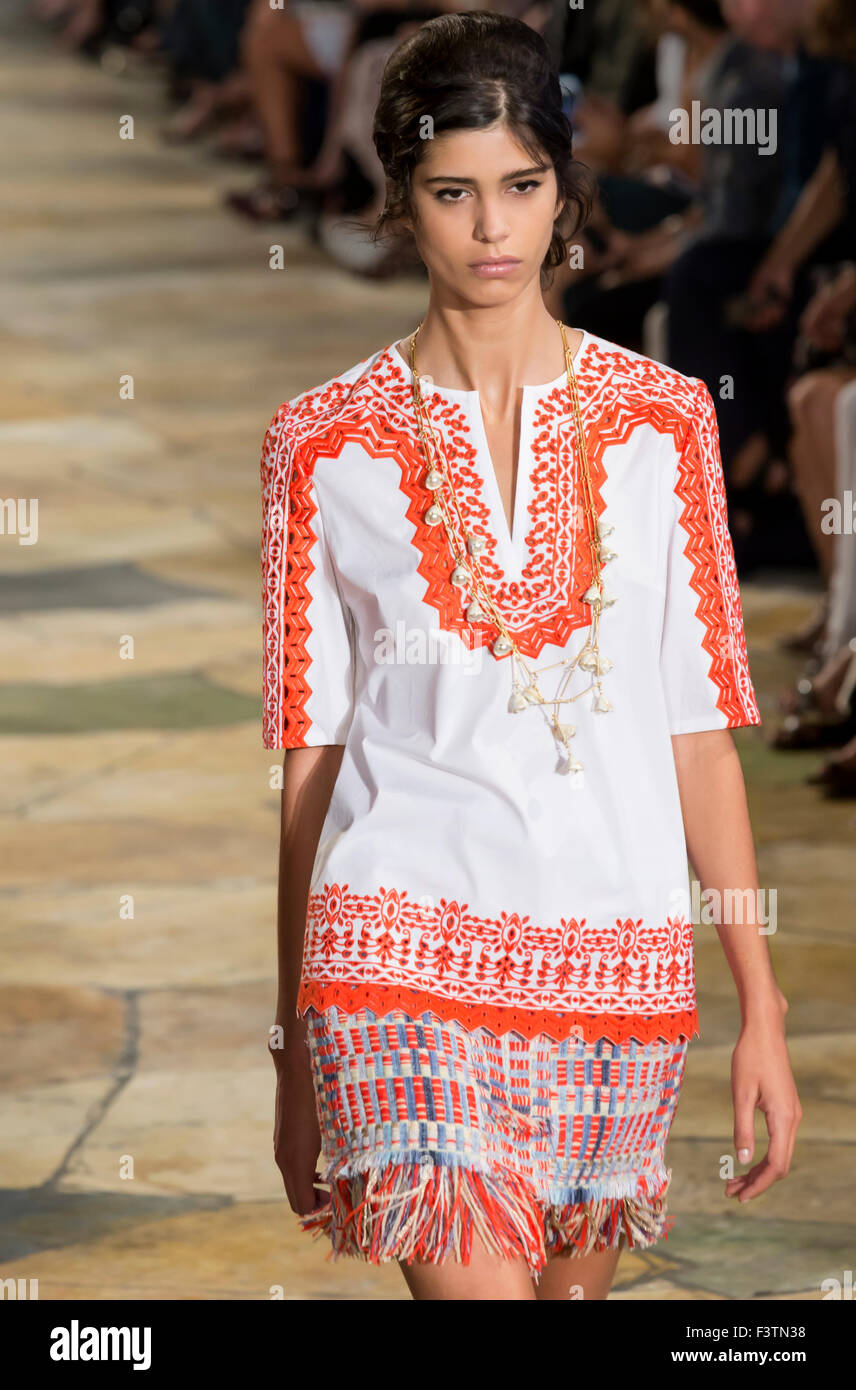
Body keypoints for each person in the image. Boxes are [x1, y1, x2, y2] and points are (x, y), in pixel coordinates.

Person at [261, 12, 802, 1300]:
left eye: (520, 188)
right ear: (404, 202)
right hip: (400, 960)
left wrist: (761, 1010)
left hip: (619, 962)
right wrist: (292, 1049)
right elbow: (311, 762)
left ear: (564, 193)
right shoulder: (321, 444)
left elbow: (697, 729)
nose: (491, 230)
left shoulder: (663, 424)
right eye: (454, 194)